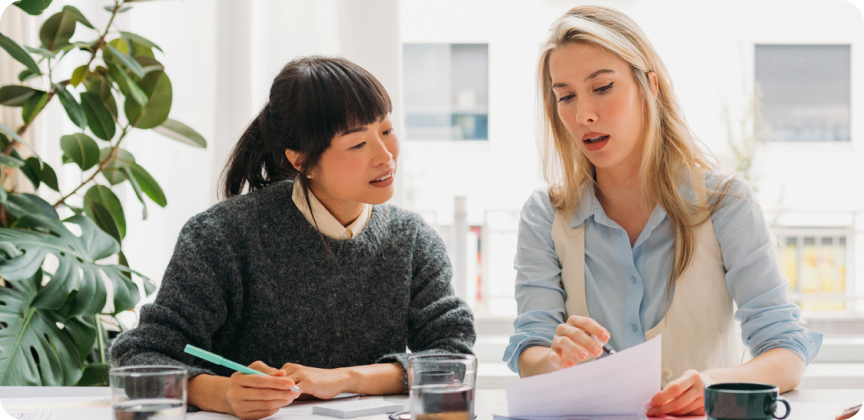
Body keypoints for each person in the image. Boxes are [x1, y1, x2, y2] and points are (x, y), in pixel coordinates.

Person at [110, 56, 476, 420]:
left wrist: (345, 379)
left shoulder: (412, 241)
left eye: (386, 130)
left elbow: (453, 357)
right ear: (302, 161)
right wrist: (219, 392)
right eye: (357, 144)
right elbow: (140, 356)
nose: (385, 156)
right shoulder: (220, 236)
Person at [504, 6, 822, 417]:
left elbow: (786, 353)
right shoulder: (544, 216)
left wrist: (713, 383)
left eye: (602, 87)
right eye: (565, 96)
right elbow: (531, 348)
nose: (583, 114)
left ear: (649, 86)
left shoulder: (727, 203)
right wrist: (555, 360)